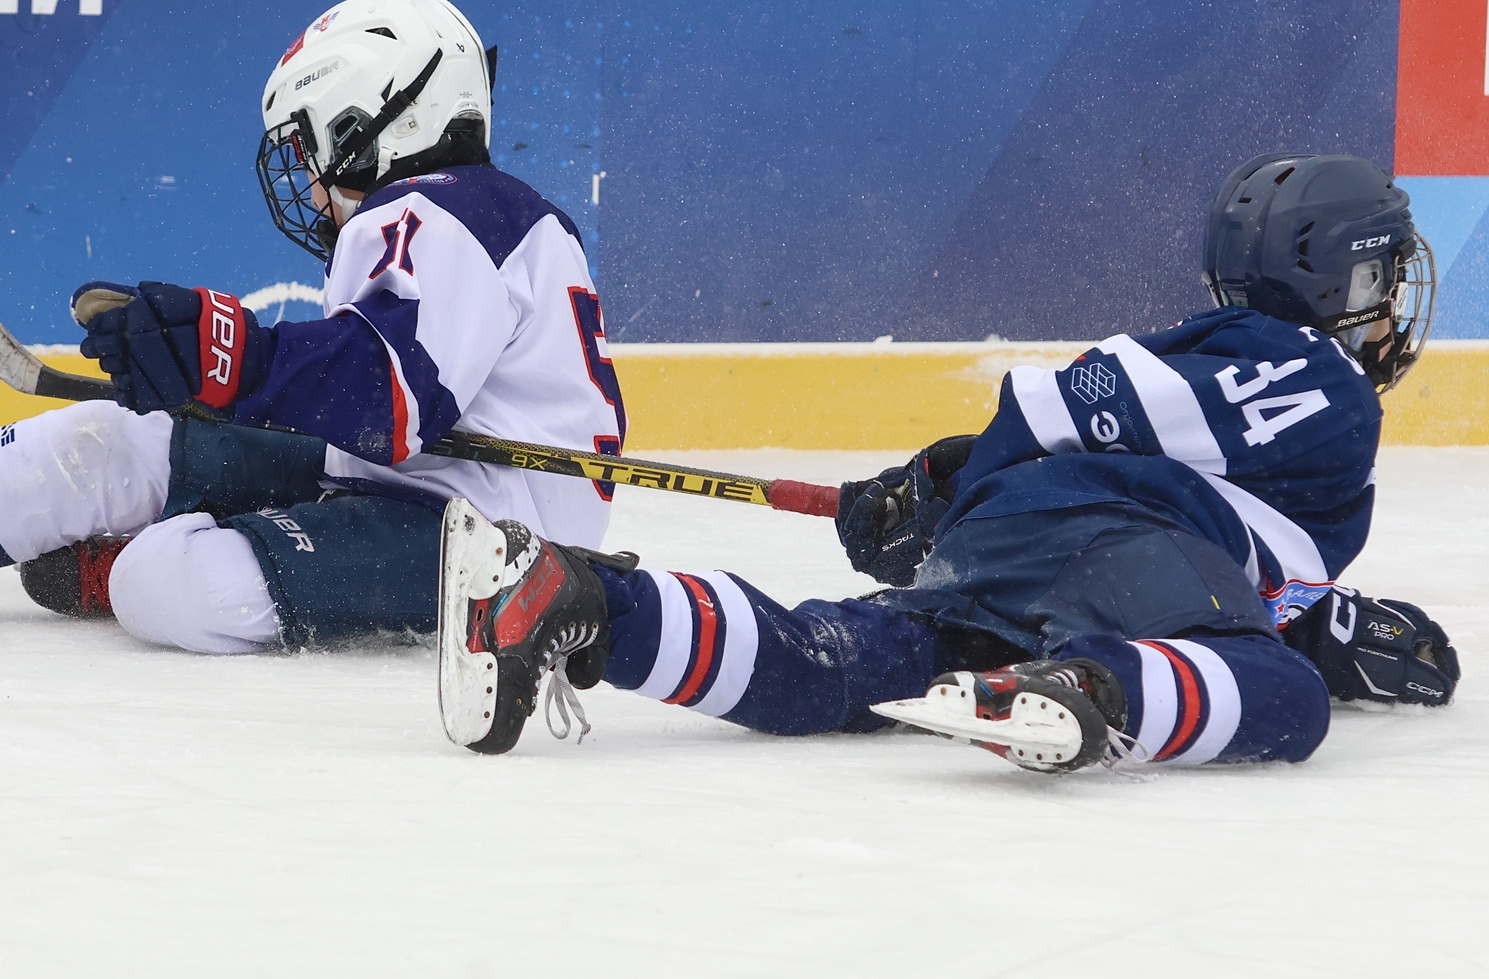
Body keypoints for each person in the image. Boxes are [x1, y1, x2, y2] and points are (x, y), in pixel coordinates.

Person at [439, 152, 1462, 768]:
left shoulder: (1231, 365)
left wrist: (942, 489)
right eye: (1379, 269)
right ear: (1344, 278)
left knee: (831, 664)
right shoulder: (1317, 376)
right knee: (1282, 698)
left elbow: (1220, 548)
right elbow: (1087, 403)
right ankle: (1092, 689)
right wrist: (966, 473)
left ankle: (579, 603)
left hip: (1035, 559)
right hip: (1108, 555)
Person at [0, 0, 628, 656]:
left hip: (491, 546)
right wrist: (205, 374)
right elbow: (381, 406)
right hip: (407, 481)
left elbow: (386, 401)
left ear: (374, 122)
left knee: (161, 580)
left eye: (315, 146)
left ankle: (107, 559)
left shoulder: (451, 215)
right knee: (132, 432)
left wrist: (227, 352)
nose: (311, 185)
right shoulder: (451, 214)